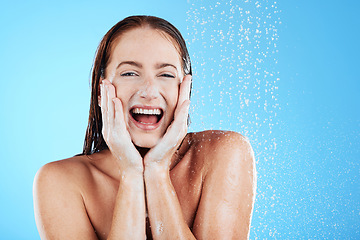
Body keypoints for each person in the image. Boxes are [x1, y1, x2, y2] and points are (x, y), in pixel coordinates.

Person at [33, 15, 256, 240]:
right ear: (102, 91)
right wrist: (131, 174)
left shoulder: (222, 153)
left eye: (166, 74)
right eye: (130, 73)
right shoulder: (60, 181)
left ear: (184, 89)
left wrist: (157, 171)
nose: (149, 91)